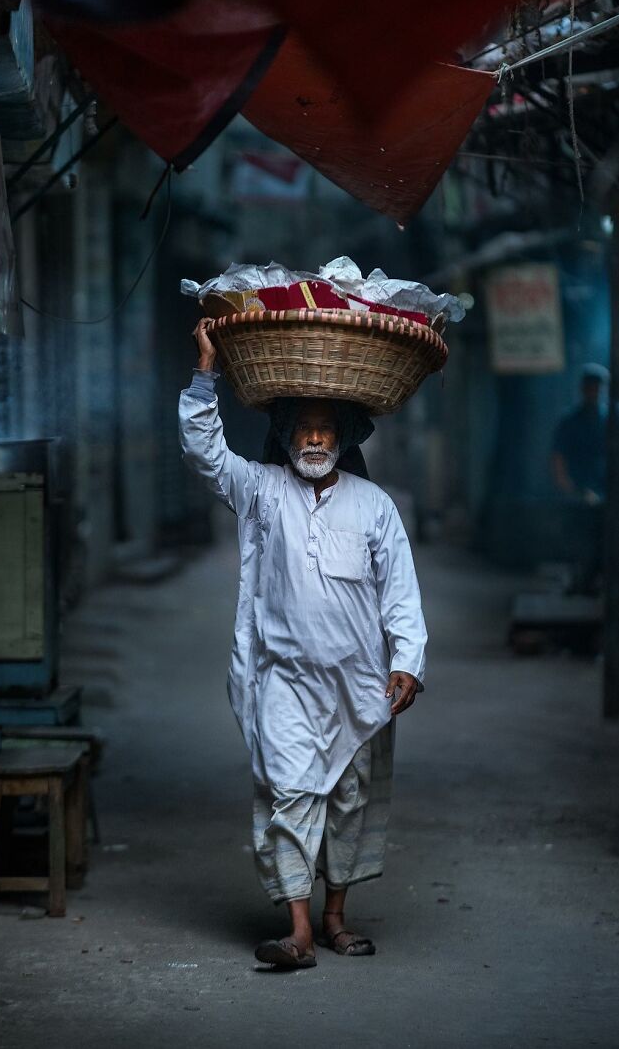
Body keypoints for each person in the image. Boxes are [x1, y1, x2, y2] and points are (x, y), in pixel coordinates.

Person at [179, 317, 428, 969]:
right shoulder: (261, 490)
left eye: (325, 428)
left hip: (358, 687)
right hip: (283, 683)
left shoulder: (374, 505)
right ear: (286, 436)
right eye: (303, 428)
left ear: (342, 438)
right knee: (287, 796)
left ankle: (336, 918)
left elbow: (400, 591)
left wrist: (407, 661)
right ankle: (299, 932)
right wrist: (205, 372)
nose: (314, 438)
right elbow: (206, 453)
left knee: (347, 804)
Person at [550, 363, 609, 593]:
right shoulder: (571, 421)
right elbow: (558, 457)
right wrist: (568, 487)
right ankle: (580, 582)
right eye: (591, 386)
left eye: (598, 387)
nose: (594, 391)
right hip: (578, 493)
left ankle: (594, 583)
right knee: (579, 543)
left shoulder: (608, 419)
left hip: (604, 492)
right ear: (584, 388)